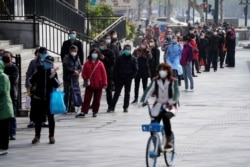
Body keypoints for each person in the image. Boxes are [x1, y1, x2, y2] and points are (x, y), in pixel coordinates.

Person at [140, 63, 180, 150]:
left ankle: (168, 140)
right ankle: (155, 144)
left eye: (164, 70)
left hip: (170, 105)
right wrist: (143, 100)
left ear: (168, 71)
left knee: (165, 117)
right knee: (153, 125)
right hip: (158, 104)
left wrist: (172, 101)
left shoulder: (173, 81)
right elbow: (149, 90)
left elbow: (177, 93)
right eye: (161, 70)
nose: (162, 72)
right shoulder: (155, 80)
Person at [29, 56, 60, 144]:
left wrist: (52, 77)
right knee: (38, 119)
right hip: (39, 98)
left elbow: (57, 85)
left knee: (51, 118)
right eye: (46, 62)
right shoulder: (38, 71)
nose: (47, 64)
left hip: (49, 98)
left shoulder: (53, 72)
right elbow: (31, 80)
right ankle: (37, 136)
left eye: (49, 63)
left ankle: (51, 136)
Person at [77, 48, 107, 118]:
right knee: (87, 98)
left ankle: (95, 111)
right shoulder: (87, 63)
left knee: (97, 99)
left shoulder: (100, 63)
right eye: (93, 52)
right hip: (89, 84)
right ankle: (83, 111)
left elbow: (104, 74)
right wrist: (85, 78)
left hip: (98, 84)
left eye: (96, 53)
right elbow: (83, 73)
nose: (94, 54)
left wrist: (105, 83)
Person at [107, 44, 138, 113]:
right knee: (117, 93)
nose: (127, 50)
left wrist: (131, 77)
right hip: (120, 78)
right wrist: (116, 77)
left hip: (128, 79)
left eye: (128, 49)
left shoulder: (133, 59)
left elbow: (135, 69)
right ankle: (112, 107)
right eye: (126, 49)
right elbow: (115, 69)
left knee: (127, 93)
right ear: (123, 50)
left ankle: (125, 107)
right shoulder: (119, 58)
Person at [25, 47, 49, 128]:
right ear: (38, 53)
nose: (43, 55)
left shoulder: (48, 62)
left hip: (45, 87)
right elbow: (28, 74)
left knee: (44, 105)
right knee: (34, 104)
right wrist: (28, 85)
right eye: (42, 53)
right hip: (35, 87)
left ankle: (43, 120)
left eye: (45, 53)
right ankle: (32, 120)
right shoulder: (33, 62)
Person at [2, 51, 19, 140]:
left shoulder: (14, 68)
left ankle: (12, 132)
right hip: (3, 96)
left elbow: (14, 79)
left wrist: (4, 76)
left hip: (12, 93)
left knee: (12, 114)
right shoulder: (1, 68)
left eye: (7, 57)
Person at [131, 39, 152, 104]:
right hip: (137, 69)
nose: (145, 44)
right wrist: (139, 55)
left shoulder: (148, 51)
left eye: (146, 43)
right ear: (141, 43)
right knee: (136, 85)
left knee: (145, 85)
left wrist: (148, 52)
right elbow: (132, 58)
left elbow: (150, 57)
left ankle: (145, 98)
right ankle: (136, 98)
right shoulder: (136, 50)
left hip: (144, 69)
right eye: (144, 43)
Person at [0, 61, 14, 155]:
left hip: (4, 106)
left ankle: (4, 147)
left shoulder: (3, 77)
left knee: (4, 128)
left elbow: (2, 91)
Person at [62, 45, 82, 113]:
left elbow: (79, 67)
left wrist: (78, 72)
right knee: (66, 93)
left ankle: (72, 106)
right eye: (73, 51)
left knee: (74, 93)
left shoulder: (77, 58)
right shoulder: (66, 58)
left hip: (75, 78)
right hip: (67, 78)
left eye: (75, 51)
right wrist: (73, 71)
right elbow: (66, 68)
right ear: (70, 51)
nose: (74, 52)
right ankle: (65, 107)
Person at [98, 39, 115, 110]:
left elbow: (112, 62)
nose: (101, 46)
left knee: (108, 90)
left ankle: (110, 105)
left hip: (107, 72)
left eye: (102, 45)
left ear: (105, 45)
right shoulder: (97, 52)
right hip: (98, 73)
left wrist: (104, 58)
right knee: (97, 90)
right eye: (100, 45)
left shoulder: (110, 52)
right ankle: (94, 105)